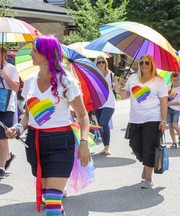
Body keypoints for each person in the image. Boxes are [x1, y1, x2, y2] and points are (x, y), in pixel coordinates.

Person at [5, 34, 91, 215]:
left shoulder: (67, 82)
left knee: (52, 203)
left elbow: (83, 116)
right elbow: (27, 115)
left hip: (61, 144)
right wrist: (18, 128)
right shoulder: (28, 82)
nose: (30, 55)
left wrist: (84, 143)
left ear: (45, 55)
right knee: (51, 200)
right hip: (35, 143)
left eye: (34, 51)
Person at [118, 54, 167, 188]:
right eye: (141, 63)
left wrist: (163, 120)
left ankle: (148, 179)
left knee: (149, 148)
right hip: (135, 119)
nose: (143, 65)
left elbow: (164, 101)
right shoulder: (133, 78)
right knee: (134, 145)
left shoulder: (159, 81)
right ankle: (146, 164)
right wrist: (119, 86)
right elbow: (124, 95)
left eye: (146, 63)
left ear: (152, 65)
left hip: (153, 119)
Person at [94, 56, 120, 155]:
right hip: (98, 103)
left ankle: (108, 147)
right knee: (100, 126)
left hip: (109, 103)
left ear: (106, 63)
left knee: (103, 123)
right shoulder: (94, 76)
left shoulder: (111, 75)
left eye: (103, 62)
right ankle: (105, 147)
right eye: (99, 62)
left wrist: (116, 81)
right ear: (96, 64)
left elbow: (117, 90)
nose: (101, 64)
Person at [0, 46, 19, 178]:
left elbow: (16, 87)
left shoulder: (11, 69)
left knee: (2, 138)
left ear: (4, 54)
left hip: (6, 106)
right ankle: (7, 157)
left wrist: (5, 76)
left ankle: (1, 167)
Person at [167, 73, 180, 149]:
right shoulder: (168, 87)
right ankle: (174, 142)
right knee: (170, 126)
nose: (176, 81)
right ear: (171, 80)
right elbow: (164, 97)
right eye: (174, 80)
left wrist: (169, 103)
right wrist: (168, 96)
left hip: (175, 110)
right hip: (167, 109)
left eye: (177, 79)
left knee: (174, 125)